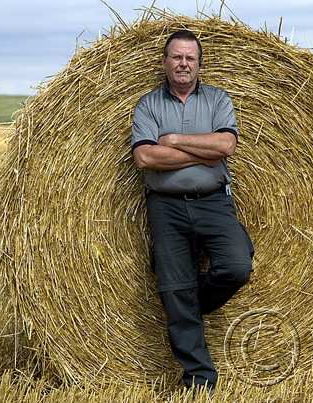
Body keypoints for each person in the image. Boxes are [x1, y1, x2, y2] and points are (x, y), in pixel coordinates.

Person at [131, 30, 254, 393]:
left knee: (235, 266)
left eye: (190, 58)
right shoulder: (148, 105)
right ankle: (200, 383)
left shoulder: (218, 100)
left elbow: (226, 145)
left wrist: (174, 140)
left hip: (214, 201)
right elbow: (144, 156)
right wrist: (203, 151)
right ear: (165, 61)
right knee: (175, 286)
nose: (183, 63)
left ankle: (183, 308)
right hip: (165, 207)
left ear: (199, 64)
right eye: (176, 57)